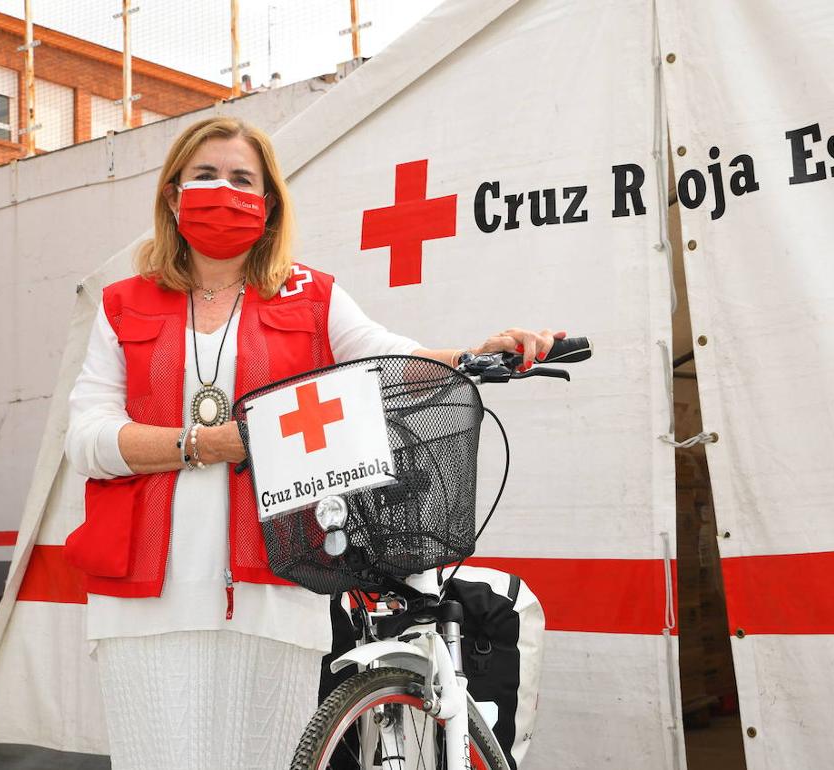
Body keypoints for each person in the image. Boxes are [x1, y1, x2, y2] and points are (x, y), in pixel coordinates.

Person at [63, 115, 561, 770]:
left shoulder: (310, 296)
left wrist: (478, 355)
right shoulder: (124, 303)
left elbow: (394, 361)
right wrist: (203, 444)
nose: (223, 189)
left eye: (243, 178)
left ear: (267, 204)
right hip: (144, 606)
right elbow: (87, 437)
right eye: (205, 175)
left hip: (275, 594)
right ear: (172, 193)